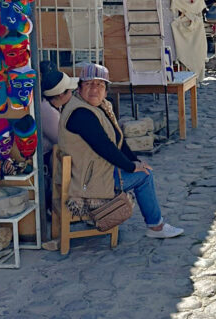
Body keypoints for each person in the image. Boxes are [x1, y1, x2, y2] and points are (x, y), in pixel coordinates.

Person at [58, 63, 183, 239]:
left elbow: (117, 140)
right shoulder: (81, 113)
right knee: (144, 177)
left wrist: (136, 161)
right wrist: (132, 168)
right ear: (79, 88)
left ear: (106, 91)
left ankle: (156, 224)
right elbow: (105, 147)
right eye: (89, 84)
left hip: (93, 169)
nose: (94, 89)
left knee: (142, 169)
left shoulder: (98, 107)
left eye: (100, 85)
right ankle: (156, 227)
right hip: (87, 179)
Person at [40, 62, 78, 210]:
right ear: (61, 95)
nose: (72, 93)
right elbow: (61, 140)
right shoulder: (47, 111)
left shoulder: (51, 105)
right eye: (70, 91)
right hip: (46, 157)